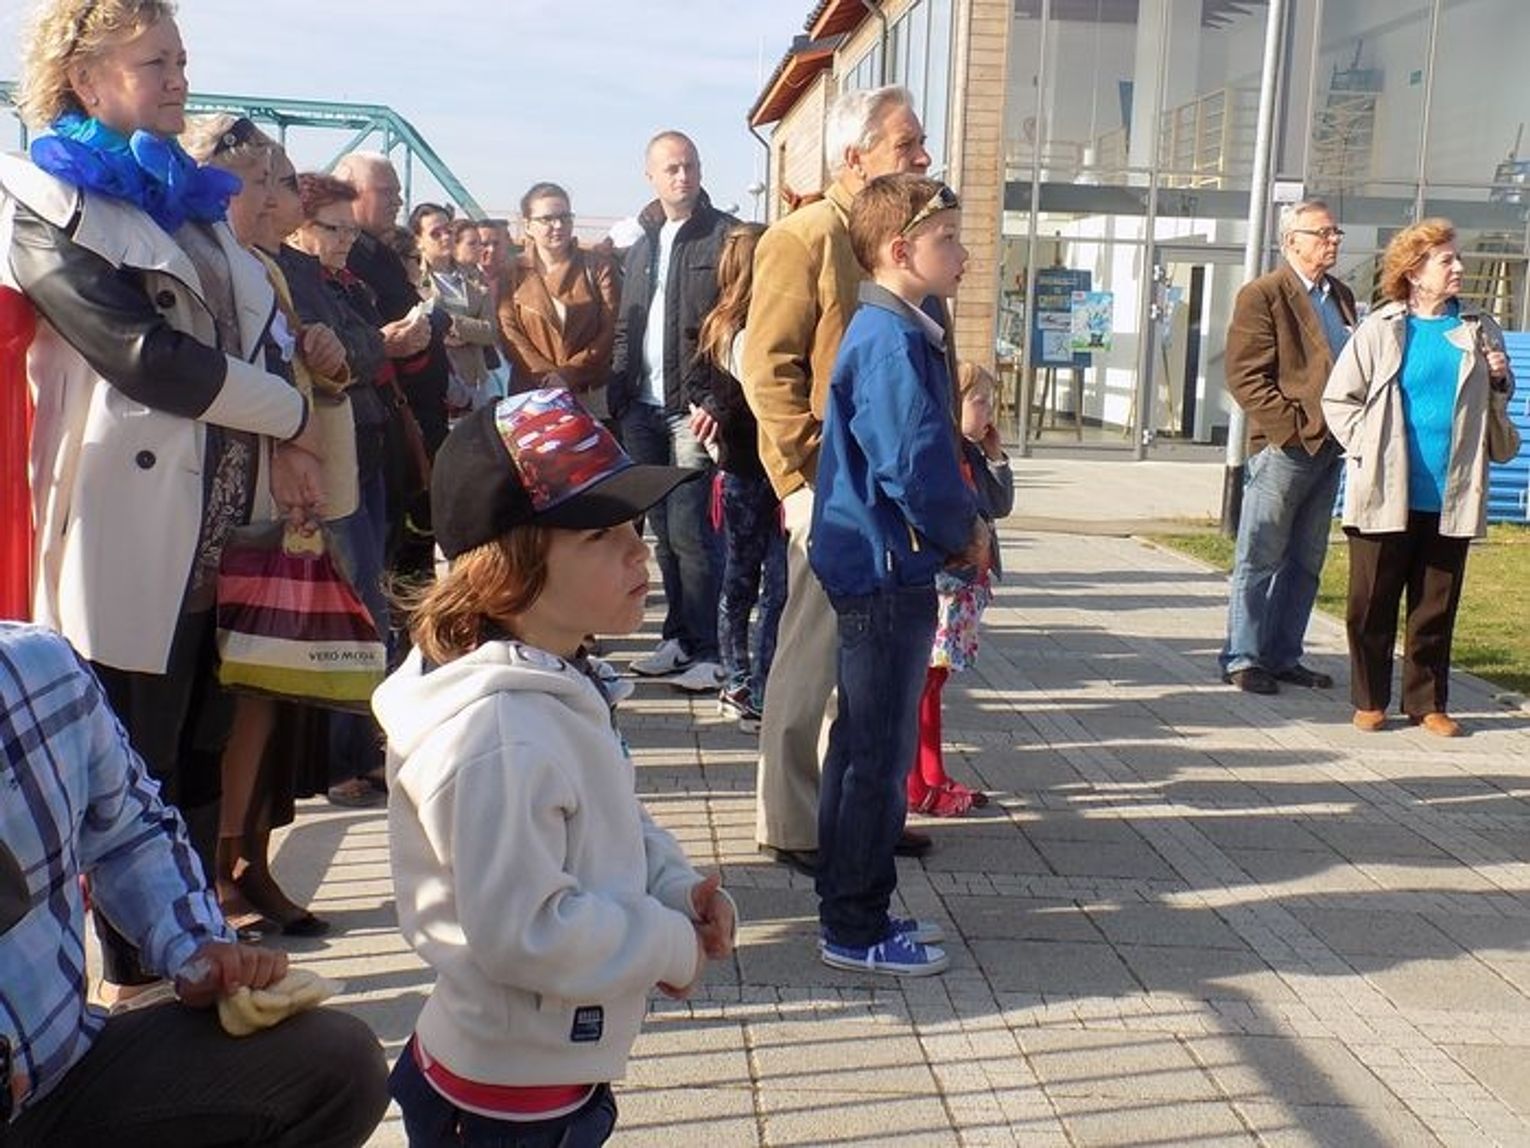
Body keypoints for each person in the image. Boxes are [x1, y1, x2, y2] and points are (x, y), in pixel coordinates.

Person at [1, 0, 321, 989]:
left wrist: (290, 431)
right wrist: (291, 414)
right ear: (87, 79)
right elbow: (145, 357)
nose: (180, 77)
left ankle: (191, 954)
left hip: (221, 528)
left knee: (194, 751)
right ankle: (134, 980)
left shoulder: (186, 199)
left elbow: (256, 336)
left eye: (181, 58)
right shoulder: (44, 200)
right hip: (125, 529)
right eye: (155, 63)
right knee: (128, 764)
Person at [375, 388, 737, 1146]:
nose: (639, 550)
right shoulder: (501, 733)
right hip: (504, 1100)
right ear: (510, 568)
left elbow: (608, 817)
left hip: (538, 1070)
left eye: (634, 526)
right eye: (601, 534)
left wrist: (673, 884)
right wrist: (667, 941)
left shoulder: (556, 678)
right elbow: (527, 930)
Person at [0, 621, 389, 1147]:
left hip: (58, 1068)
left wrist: (199, 949)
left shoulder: (40, 670)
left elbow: (131, 833)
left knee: (337, 1064)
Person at [742, 85, 934, 876]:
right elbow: (767, 369)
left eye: (921, 142)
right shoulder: (804, 237)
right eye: (905, 143)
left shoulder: (899, 240)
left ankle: (859, 814)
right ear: (854, 158)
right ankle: (794, 822)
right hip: (832, 491)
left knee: (874, 663)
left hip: (890, 489)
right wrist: (803, 476)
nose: (923, 156)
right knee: (814, 656)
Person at [810, 175, 985, 977]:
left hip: (880, 560)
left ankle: (855, 905)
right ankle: (855, 925)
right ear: (899, 249)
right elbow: (912, 463)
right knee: (875, 758)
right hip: (884, 567)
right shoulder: (887, 337)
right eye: (948, 239)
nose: (963, 253)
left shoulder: (901, 328)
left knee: (863, 748)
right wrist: (963, 530)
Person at [182, 113, 351, 937]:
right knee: (229, 693)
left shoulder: (272, 271)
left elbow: (301, 374)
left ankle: (249, 856)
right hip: (223, 505)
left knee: (265, 690)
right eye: (266, 181)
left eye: (282, 181)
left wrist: (327, 365)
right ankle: (217, 870)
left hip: (277, 505)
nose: (284, 197)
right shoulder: (206, 261)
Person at [1322, 218, 1515, 737]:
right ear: (1414, 271)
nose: (1459, 267)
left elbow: (1497, 398)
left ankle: (1427, 703)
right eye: (1446, 259)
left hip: (1450, 490)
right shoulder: (1382, 327)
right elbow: (1338, 399)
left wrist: (1500, 377)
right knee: (1371, 602)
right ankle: (1369, 699)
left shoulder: (1478, 327)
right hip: (1385, 489)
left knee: (1435, 605)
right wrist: (1368, 446)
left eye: (1457, 258)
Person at [610, 131, 737, 693]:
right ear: (651, 176)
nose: (682, 176)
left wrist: (716, 401)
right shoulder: (642, 245)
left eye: (690, 166)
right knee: (662, 531)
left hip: (692, 409)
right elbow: (625, 326)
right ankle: (678, 638)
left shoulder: (724, 237)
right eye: (671, 168)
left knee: (693, 533)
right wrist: (619, 394)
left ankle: (710, 649)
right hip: (642, 409)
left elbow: (737, 327)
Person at [286, 172, 398, 807]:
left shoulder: (337, 280)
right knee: (349, 609)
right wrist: (375, 344)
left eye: (352, 231)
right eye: (335, 229)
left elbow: (362, 348)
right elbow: (349, 353)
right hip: (331, 455)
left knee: (367, 605)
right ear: (300, 226)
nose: (346, 241)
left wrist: (370, 346)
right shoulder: (295, 278)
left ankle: (358, 747)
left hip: (365, 446)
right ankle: (338, 759)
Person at [1220, 199, 1357, 695]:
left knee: (1305, 561)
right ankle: (1242, 657)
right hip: (1286, 448)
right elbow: (1245, 375)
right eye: (1322, 233)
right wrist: (1292, 429)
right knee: (1260, 557)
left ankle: (1282, 655)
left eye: (1336, 232)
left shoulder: (1340, 295)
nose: (1333, 240)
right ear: (1291, 241)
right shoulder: (1264, 294)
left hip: (1332, 446)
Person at [334, 151, 450, 584]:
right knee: (380, 555)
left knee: (406, 542)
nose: (398, 201)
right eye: (386, 191)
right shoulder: (343, 260)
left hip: (407, 417)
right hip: (375, 422)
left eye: (399, 192)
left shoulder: (377, 251)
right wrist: (390, 343)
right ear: (350, 192)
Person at [687, 222, 786, 732]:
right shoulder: (725, 324)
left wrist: (714, 406)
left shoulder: (773, 317)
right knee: (751, 578)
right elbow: (702, 384)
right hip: (748, 467)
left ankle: (755, 683)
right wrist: (714, 406)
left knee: (769, 582)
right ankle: (743, 682)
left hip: (769, 468)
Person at [908, 362, 1013, 818]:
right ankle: (917, 782)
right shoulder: (942, 451)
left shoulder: (969, 452)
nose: (989, 411)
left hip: (967, 586)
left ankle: (933, 773)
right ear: (954, 403)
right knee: (923, 682)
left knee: (935, 681)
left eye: (992, 401)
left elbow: (1000, 505)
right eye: (980, 401)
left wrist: (996, 458)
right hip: (944, 585)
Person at [498, 181, 621, 419]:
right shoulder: (511, 272)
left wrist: (567, 375)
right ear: (528, 225)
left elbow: (611, 329)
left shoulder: (598, 267)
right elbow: (509, 333)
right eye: (547, 219)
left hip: (588, 394)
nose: (558, 225)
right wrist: (547, 377)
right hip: (532, 395)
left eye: (565, 217)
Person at [416, 207, 498, 417]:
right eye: (436, 233)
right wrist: (471, 330)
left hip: (475, 381)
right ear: (419, 240)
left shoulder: (475, 278)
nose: (445, 237)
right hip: (436, 382)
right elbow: (421, 329)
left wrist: (447, 322)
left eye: (448, 230)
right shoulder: (414, 279)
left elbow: (491, 331)